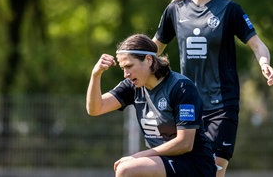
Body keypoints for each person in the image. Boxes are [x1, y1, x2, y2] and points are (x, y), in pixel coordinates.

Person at [152, 0, 273, 177]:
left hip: (221, 105)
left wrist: (264, 64)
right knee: (187, 169)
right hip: (187, 104)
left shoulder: (230, 10)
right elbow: (153, 50)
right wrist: (133, 64)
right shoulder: (175, 11)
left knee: (213, 171)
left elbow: (258, 45)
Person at [86, 34, 217, 177]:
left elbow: (185, 143)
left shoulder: (181, 87)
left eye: (129, 66)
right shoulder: (132, 86)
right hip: (163, 162)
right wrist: (95, 75)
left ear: (148, 60)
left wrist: (138, 156)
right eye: (123, 68)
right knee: (126, 167)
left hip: (194, 164)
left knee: (126, 169)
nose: (126, 74)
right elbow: (95, 109)